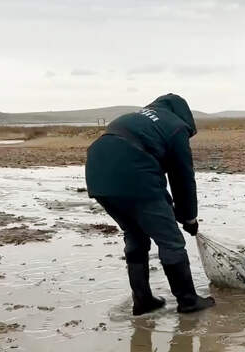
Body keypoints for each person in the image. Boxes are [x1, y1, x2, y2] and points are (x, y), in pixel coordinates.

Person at [85, 93, 215, 315]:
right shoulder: (175, 127)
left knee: (134, 234)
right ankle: (188, 301)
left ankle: (143, 300)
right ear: (184, 113)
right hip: (135, 176)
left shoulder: (131, 118)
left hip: (97, 177)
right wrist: (189, 217)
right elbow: (182, 177)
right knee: (171, 241)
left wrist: (180, 212)